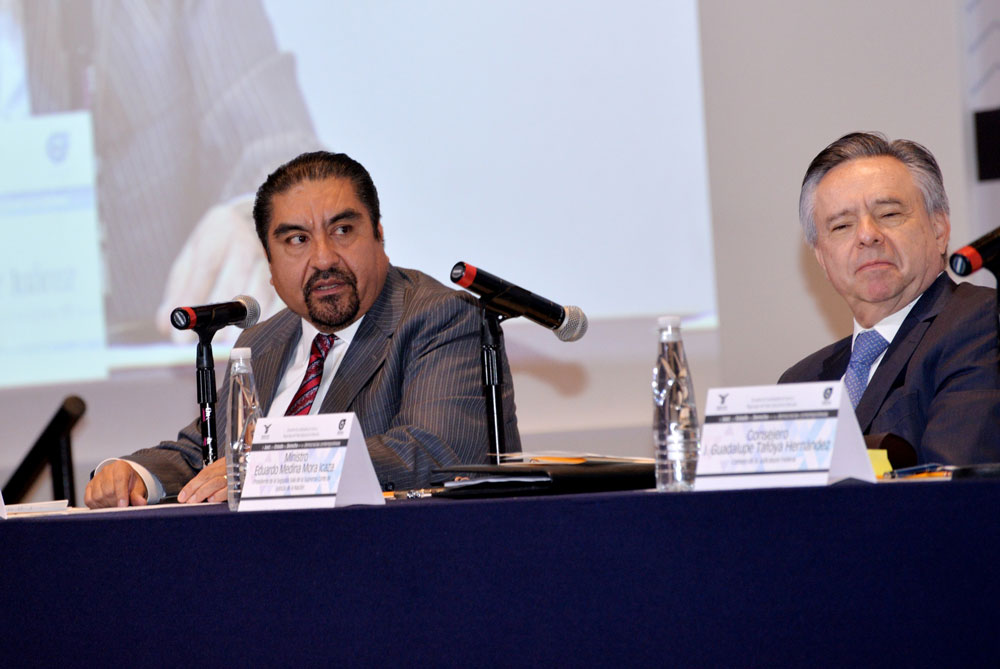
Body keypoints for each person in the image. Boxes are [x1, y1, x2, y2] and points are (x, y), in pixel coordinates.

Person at [84, 151, 520, 507]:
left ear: (379, 237)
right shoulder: (263, 340)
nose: (324, 258)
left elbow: (434, 450)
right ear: (270, 264)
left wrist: (267, 468)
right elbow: (210, 451)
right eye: (297, 240)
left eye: (343, 230)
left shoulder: (442, 316)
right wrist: (134, 473)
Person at [779, 131, 1000, 465]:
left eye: (889, 214)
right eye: (841, 226)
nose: (867, 235)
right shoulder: (800, 382)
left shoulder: (981, 321)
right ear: (822, 258)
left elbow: (953, 478)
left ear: (939, 230)